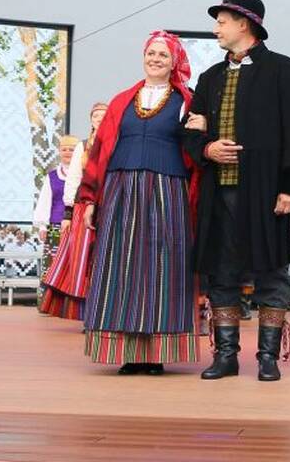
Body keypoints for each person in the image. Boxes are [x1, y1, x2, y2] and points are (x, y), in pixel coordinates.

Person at [183, 0, 290, 382]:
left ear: (244, 24)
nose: (216, 29)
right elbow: (190, 130)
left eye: (222, 22)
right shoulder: (210, 77)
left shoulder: (284, 70)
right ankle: (226, 356)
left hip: (267, 191)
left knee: (271, 272)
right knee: (222, 272)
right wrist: (208, 148)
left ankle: (268, 357)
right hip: (219, 193)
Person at [77, 31, 200, 375]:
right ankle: (127, 352)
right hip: (121, 190)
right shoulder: (121, 101)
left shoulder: (187, 102)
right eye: (151, 53)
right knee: (122, 266)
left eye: (163, 55)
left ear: (174, 62)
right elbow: (99, 152)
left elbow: (196, 153)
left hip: (167, 190)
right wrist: (89, 198)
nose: (155, 59)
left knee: (163, 267)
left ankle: (156, 353)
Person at [39, 101, 108, 319]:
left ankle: (102, 308)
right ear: (91, 120)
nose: (99, 119)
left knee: (103, 256)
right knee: (81, 257)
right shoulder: (83, 146)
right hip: (83, 205)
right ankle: (83, 310)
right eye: (96, 116)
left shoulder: (115, 142)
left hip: (107, 205)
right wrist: (67, 213)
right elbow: (74, 178)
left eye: (103, 115)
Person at [33, 134, 80, 261]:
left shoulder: (83, 175)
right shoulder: (52, 176)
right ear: (59, 151)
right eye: (64, 149)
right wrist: (43, 226)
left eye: (71, 150)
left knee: (74, 261)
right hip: (55, 226)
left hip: (78, 225)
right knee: (53, 262)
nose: (67, 152)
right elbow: (45, 201)